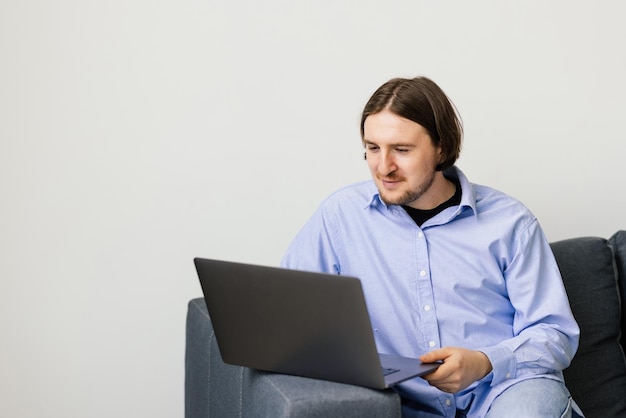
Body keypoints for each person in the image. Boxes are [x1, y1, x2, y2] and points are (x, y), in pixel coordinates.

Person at [280, 76, 583, 417]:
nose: (384, 167)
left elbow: (555, 333)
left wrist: (484, 362)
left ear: (441, 147)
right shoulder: (340, 217)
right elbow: (289, 314)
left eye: (402, 150)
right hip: (402, 404)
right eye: (373, 148)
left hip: (505, 391)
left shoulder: (511, 222)